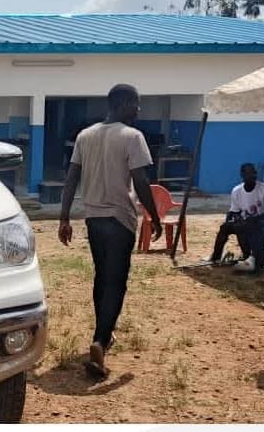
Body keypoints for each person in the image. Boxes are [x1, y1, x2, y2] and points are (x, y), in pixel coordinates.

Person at [58, 84, 162, 380]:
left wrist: (64, 218)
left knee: (102, 277)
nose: (138, 110)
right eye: (136, 104)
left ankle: (103, 333)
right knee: (116, 283)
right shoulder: (132, 136)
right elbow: (141, 182)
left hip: (94, 219)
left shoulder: (85, 135)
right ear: (123, 103)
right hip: (119, 220)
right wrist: (153, 217)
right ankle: (100, 340)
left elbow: (71, 179)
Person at [207, 163, 264, 272]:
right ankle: (216, 257)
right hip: (245, 222)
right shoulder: (237, 191)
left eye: (254, 173)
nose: (252, 175)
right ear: (242, 175)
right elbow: (233, 211)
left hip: (263, 224)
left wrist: (256, 219)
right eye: (248, 173)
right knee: (225, 227)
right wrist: (233, 219)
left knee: (246, 227)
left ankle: (250, 258)